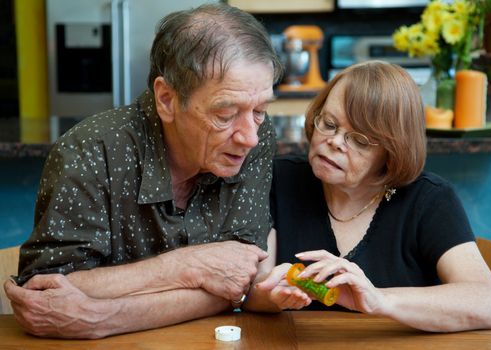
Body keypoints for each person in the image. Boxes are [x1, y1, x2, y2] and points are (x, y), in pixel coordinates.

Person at [4, 3, 284, 339]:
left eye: (261, 110)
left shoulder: (254, 134)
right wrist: (189, 266)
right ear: (166, 99)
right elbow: (47, 296)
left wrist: (105, 316)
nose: (249, 136)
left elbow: (242, 279)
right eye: (224, 115)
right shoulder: (91, 151)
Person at [243, 61, 491, 332]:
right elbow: (252, 291)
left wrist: (379, 300)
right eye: (329, 124)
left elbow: (487, 305)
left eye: (359, 140)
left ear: (392, 151)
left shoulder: (429, 200)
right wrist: (272, 297)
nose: (334, 142)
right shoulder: (278, 180)